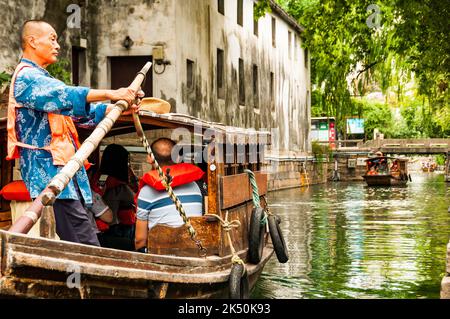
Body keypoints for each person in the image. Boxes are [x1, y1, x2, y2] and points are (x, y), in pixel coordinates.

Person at [6, 20, 142, 246]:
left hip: (65, 173)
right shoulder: (27, 77)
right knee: (84, 241)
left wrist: (119, 106)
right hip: (50, 174)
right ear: (32, 41)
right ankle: (93, 278)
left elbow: (81, 115)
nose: (57, 45)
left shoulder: (43, 78)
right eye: (52, 39)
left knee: (83, 236)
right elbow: (65, 94)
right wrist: (112, 93)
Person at [135, 138, 205, 252]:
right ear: (177, 158)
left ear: (149, 158)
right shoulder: (195, 186)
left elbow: (140, 241)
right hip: (194, 251)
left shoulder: (146, 192)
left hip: (160, 255)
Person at [90, 144, 138, 251]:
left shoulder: (97, 177)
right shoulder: (120, 186)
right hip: (116, 228)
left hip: (100, 226)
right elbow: (136, 198)